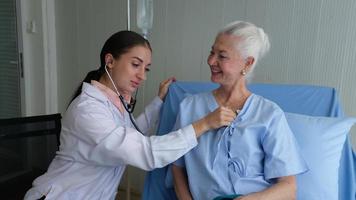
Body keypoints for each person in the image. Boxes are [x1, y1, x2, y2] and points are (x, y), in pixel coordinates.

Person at [24, 30, 236, 200]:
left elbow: (133, 132)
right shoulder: (87, 111)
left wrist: (159, 100)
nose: (142, 76)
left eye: (147, 69)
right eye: (135, 64)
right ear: (110, 61)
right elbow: (146, 152)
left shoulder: (113, 103)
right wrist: (204, 124)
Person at [172, 21, 308, 200]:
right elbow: (177, 168)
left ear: (247, 63)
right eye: (212, 52)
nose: (211, 61)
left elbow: (289, 188)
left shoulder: (269, 114)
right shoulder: (190, 107)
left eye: (222, 56)